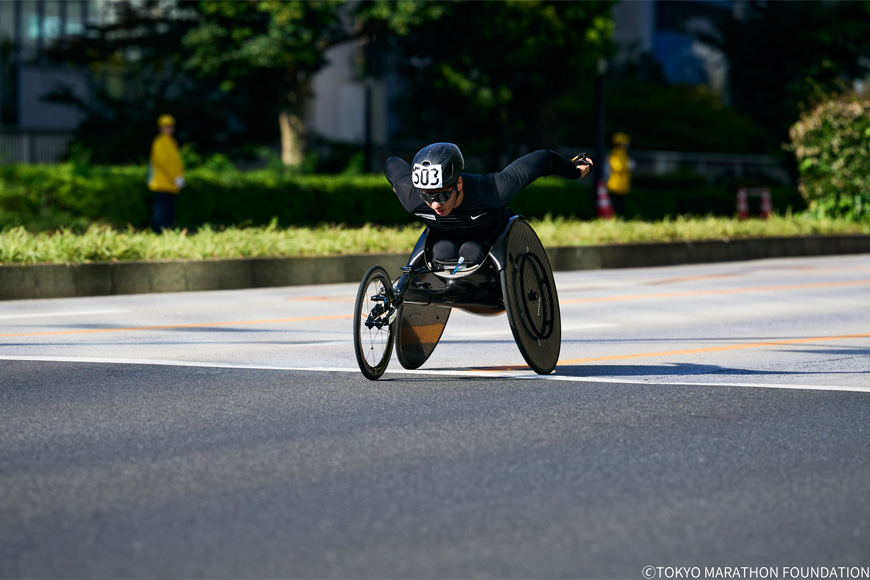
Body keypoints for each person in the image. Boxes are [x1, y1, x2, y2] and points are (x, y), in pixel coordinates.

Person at [385, 143, 592, 267]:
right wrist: (395, 186)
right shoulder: (412, 196)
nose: (434, 205)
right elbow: (392, 164)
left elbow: (542, 159)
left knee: (471, 252)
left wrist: (575, 171)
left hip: (487, 241)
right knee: (442, 253)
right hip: (444, 241)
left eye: (440, 196)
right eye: (426, 198)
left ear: (458, 183)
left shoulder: (492, 190)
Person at [148, 114, 185, 232]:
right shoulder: (160, 142)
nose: (168, 129)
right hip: (162, 182)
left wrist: (179, 176)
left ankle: (167, 231)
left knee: (168, 209)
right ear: (160, 128)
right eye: (165, 126)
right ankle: (159, 232)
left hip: (170, 183)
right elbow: (163, 163)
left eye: (169, 126)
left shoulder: (171, 142)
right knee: (162, 210)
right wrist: (175, 177)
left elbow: (175, 162)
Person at [604, 132, 634, 216]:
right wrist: (628, 166)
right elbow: (618, 167)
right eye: (625, 143)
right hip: (616, 184)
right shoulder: (616, 154)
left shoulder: (622, 154)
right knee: (616, 205)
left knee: (621, 204)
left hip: (622, 184)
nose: (627, 145)